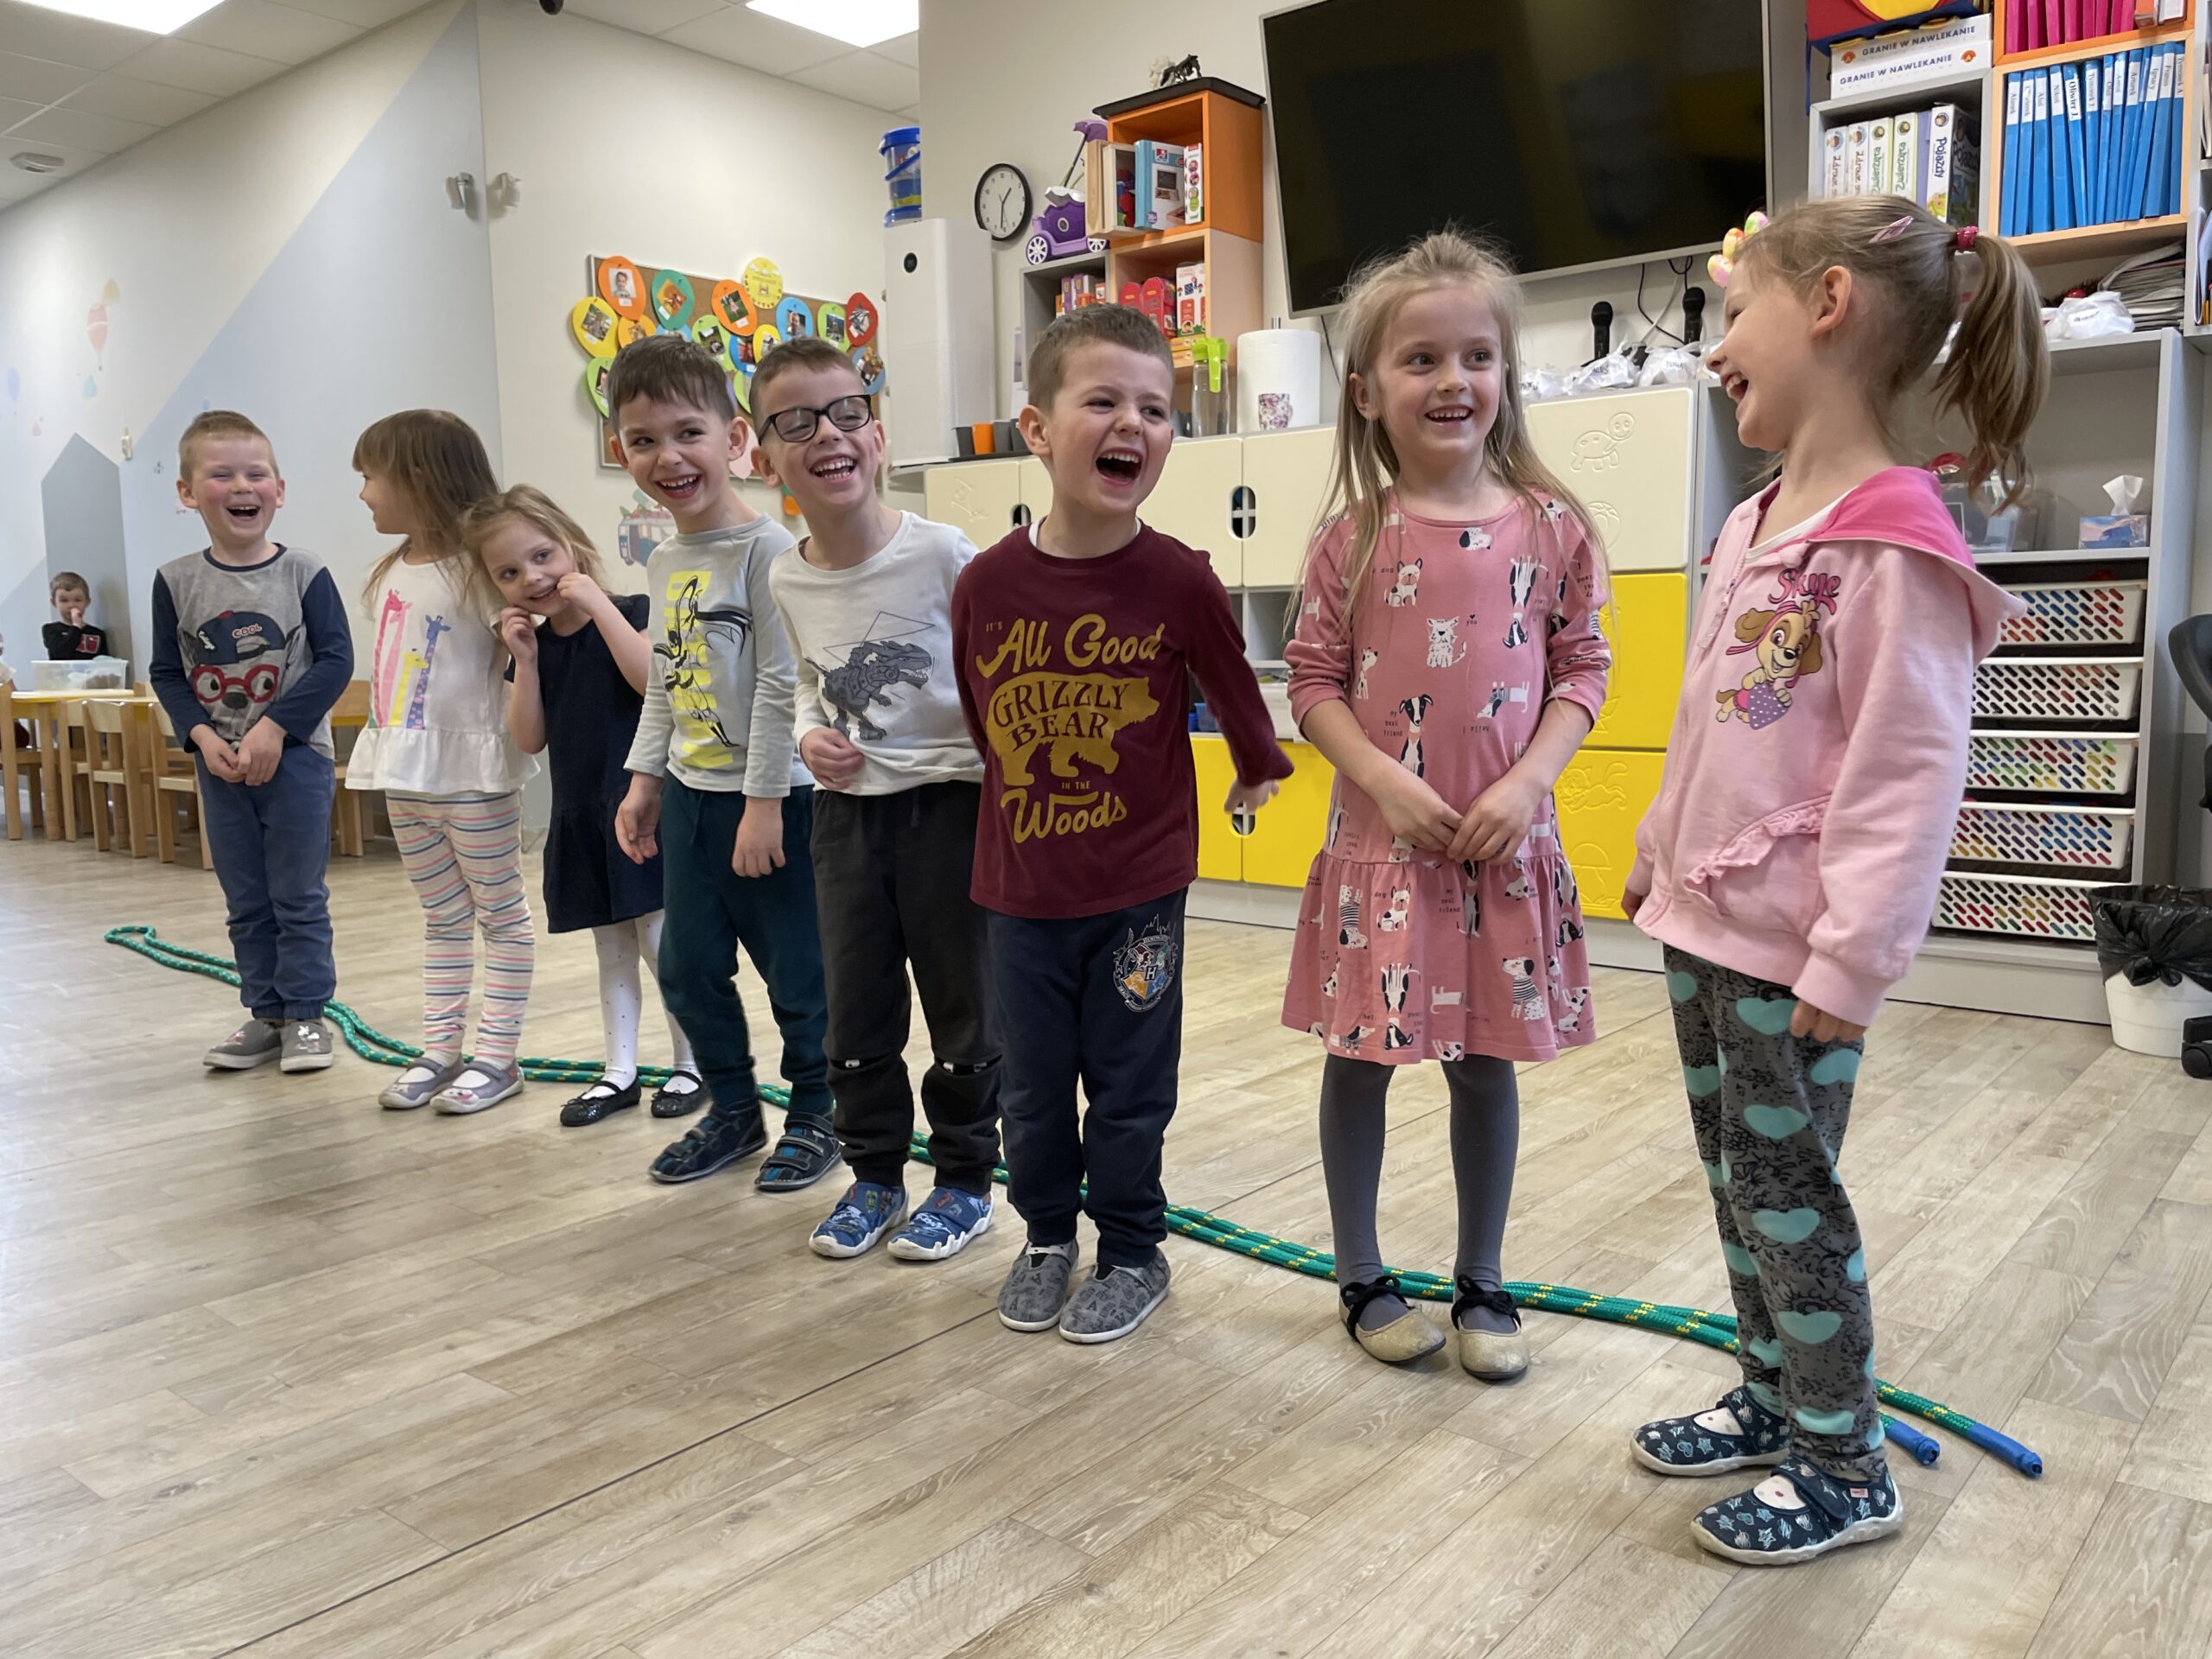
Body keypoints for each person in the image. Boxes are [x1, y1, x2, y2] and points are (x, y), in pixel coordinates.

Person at [1624, 199, 2042, 1566]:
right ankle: (1772, 1400)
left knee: (1790, 1199)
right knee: (1740, 1187)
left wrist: (1856, 957)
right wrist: (1658, 849)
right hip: (1707, 926)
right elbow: (1713, 723)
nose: (1715, 348)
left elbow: (1904, 771)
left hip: (1792, 955)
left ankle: (1846, 1462)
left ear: (1827, 305)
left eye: (1733, 311)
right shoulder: (1756, 519)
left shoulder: (1892, 542)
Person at [1279, 231, 1611, 1382]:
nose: (1452, 380)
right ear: (1368, 392)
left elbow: (1582, 670)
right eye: (1420, 359)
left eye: (1476, 355)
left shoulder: (1554, 527)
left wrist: (1527, 782)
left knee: (1484, 1061)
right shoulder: (1350, 539)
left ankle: (1483, 1277)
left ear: (1506, 374)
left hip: (1501, 852)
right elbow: (1311, 684)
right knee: (1360, 1058)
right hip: (1385, 853)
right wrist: (1383, 779)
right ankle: (1361, 1273)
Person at [951, 303, 1292, 1343]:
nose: (1132, 425)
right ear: (1036, 429)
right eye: (1102, 401)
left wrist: (1257, 767)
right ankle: (1047, 1236)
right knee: (1031, 1089)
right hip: (1019, 896)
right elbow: (981, 716)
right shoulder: (985, 583)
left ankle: (1135, 1250)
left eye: (1155, 409)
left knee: (1131, 1085)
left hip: (1139, 891)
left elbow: (1233, 685)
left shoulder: (1179, 577)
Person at [754, 335, 1001, 1262]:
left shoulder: (942, 553)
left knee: (965, 1006)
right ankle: (873, 1177)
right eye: (796, 422)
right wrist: (808, 736)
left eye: (846, 411)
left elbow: (997, 669)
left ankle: (965, 1181)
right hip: (847, 821)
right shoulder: (786, 573)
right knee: (855, 1009)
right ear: (764, 455)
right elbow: (807, 681)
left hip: (952, 810)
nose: (828, 433)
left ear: (878, 433)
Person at [607, 334, 836, 1190]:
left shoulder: (767, 550)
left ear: (734, 438)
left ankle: (816, 1114)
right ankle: (735, 1111)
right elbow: (667, 681)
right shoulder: (666, 559)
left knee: (798, 974)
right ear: (621, 451)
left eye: (687, 433)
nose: (667, 457)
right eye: (643, 440)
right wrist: (643, 780)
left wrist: (764, 804)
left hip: (775, 802)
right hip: (690, 799)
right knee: (686, 967)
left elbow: (780, 686)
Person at [461, 485, 702, 1127]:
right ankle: (619, 1071)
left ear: (571, 545)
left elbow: (653, 683)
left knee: (661, 942)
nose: (531, 578)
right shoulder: (536, 648)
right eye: (509, 573)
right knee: (612, 948)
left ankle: (694, 1063)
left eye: (542, 556)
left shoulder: (631, 612)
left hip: (640, 808)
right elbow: (528, 737)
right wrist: (524, 660)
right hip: (582, 814)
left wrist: (598, 606)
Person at [149, 410, 353, 1073]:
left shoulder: (304, 572)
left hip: (297, 762)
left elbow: (335, 660)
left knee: (297, 896)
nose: (242, 486)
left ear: (279, 489)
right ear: (187, 492)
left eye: (256, 474)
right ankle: (266, 1013)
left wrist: (275, 727)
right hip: (221, 768)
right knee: (246, 901)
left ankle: (307, 1014)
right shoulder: (174, 581)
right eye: (222, 475)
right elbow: (167, 672)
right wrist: (202, 736)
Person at [347, 410, 537, 1114]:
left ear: (418, 478)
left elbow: (521, 651)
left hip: (472, 778)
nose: (364, 493)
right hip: (405, 776)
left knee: (501, 916)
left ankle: (497, 1058)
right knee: (443, 917)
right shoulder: (392, 570)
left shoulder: (480, 571)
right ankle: (440, 1049)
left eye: (371, 477)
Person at [44, 571, 109, 659]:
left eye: (78, 600)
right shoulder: (51, 630)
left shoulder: (97, 634)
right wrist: (76, 627)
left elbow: (103, 661)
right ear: (54, 602)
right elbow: (60, 653)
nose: (71, 605)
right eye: (64, 600)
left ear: (87, 602)